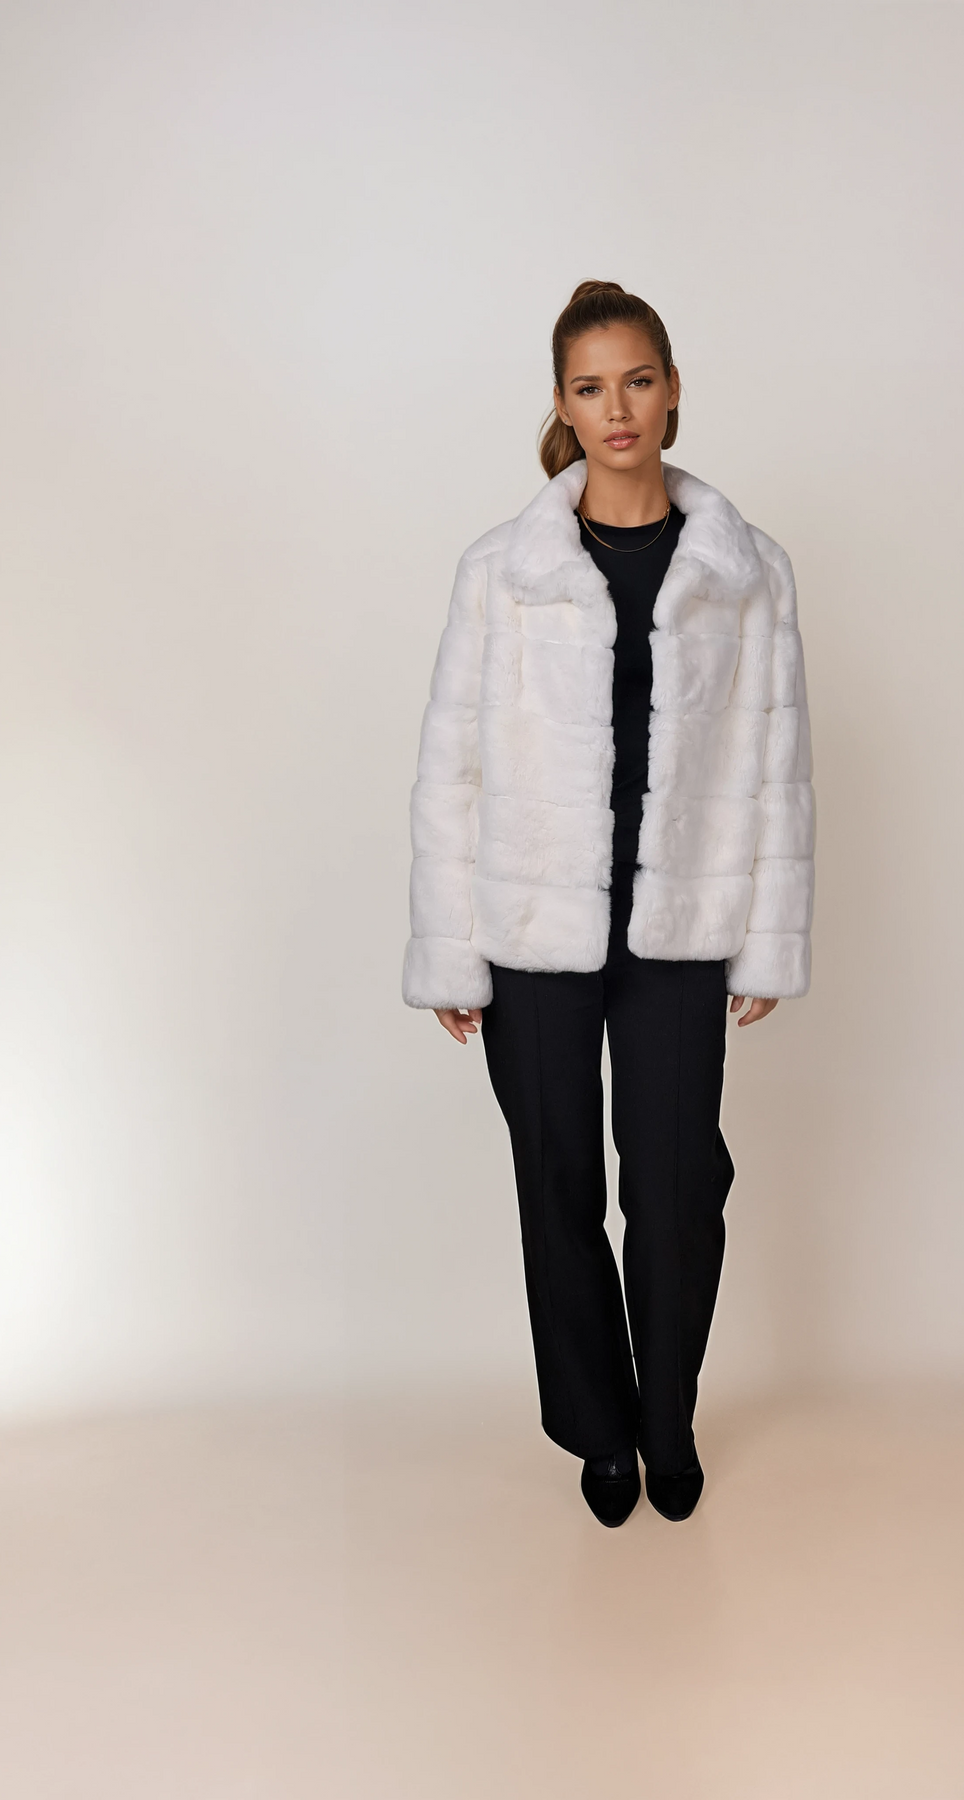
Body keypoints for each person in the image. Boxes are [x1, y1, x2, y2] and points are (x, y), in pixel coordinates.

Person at [402, 280, 815, 1526]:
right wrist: (452, 952)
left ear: (673, 389)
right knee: (557, 1184)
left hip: (681, 925)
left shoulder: (747, 571)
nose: (617, 407)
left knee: (678, 1186)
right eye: (590, 387)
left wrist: (765, 940)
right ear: (563, 406)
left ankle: (668, 1417)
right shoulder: (502, 571)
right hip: (530, 932)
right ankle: (599, 1431)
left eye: (637, 380)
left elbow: (777, 761)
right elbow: (453, 768)